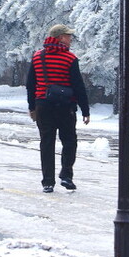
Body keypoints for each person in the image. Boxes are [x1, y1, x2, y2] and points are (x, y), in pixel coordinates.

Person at [27, 23, 90, 193]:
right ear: (60, 38)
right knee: (69, 140)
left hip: (43, 105)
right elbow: (78, 86)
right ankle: (66, 175)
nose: (71, 39)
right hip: (65, 106)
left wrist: (32, 107)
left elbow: (30, 84)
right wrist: (85, 110)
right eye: (68, 36)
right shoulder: (70, 59)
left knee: (46, 143)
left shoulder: (37, 57)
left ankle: (48, 182)